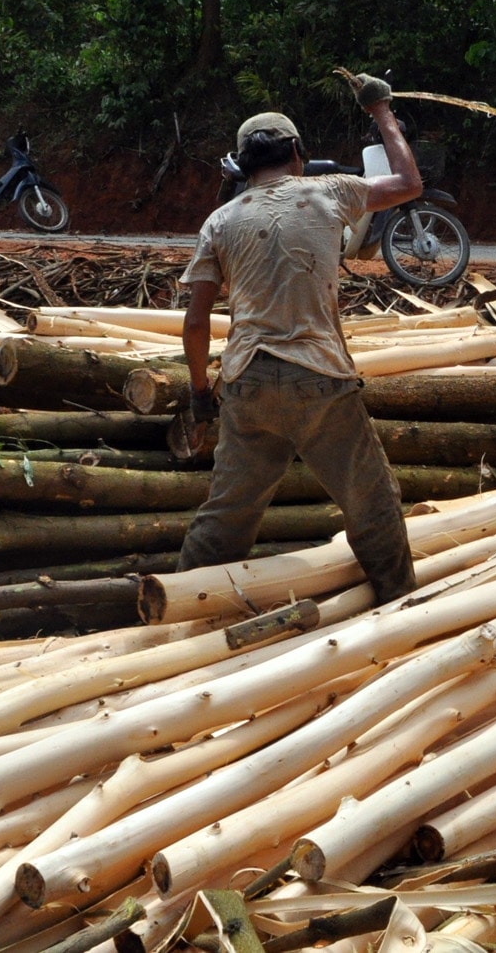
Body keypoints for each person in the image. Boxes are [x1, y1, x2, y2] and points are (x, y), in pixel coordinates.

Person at [175, 73, 422, 603]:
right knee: (372, 505)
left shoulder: (219, 221)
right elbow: (408, 183)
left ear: (243, 165)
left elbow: (196, 323)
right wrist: (380, 109)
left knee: (226, 518)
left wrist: (200, 395)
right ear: (296, 153)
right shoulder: (328, 191)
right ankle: (400, 608)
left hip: (246, 383)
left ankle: (176, 610)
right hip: (320, 379)